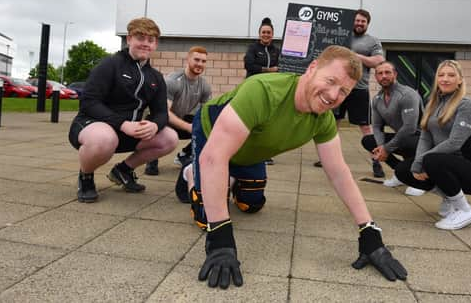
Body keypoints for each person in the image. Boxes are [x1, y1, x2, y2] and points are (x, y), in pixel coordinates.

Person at [175, 45, 407, 289]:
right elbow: (214, 156)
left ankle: (226, 178)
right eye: (330, 80)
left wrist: (369, 230)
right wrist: (220, 238)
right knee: (207, 217)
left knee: (251, 205)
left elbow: (339, 172)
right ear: (312, 68)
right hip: (213, 137)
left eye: (343, 91)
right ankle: (190, 171)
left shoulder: (324, 120)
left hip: (252, 149)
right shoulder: (263, 90)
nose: (332, 95)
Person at [69, 17, 178, 203]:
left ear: (155, 44)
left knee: (169, 138)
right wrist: (122, 124)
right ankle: (86, 176)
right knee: (104, 139)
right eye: (140, 38)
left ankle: (123, 170)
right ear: (129, 39)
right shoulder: (110, 64)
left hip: (128, 132)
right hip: (93, 127)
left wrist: (154, 125)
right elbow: (89, 102)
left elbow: (161, 113)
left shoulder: (156, 77)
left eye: (150, 40)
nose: (145, 44)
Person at [394, 60, 471, 230]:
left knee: (432, 160)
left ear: (460, 80)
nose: (445, 79)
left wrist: (423, 161)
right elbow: (425, 138)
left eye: (451, 75)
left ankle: (465, 210)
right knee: (403, 170)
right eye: (441, 75)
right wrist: (418, 163)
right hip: (445, 165)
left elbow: (455, 143)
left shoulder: (468, 105)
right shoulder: (432, 104)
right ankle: (450, 197)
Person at [314, 9, 384, 177]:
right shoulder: (340, 36)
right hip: (337, 88)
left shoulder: (372, 41)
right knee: (332, 123)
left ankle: (376, 161)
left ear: (367, 24)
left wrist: (355, 56)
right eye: (357, 20)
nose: (359, 23)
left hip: (358, 90)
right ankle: (327, 158)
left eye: (363, 21)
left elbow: (378, 61)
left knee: (365, 127)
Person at [144, 46, 212, 175]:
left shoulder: (204, 85)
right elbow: (164, 112)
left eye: (203, 61)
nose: (200, 64)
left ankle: (184, 154)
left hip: (179, 118)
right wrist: (188, 127)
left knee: (209, 126)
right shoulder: (173, 81)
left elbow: (206, 112)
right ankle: (151, 160)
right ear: (188, 59)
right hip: (158, 119)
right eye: (196, 60)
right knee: (157, 122)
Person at [361, 61, 424, 195]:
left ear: (395, 74)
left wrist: (386, 148)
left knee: (406, 140)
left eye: (387, 72)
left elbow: (409, 128)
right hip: (402, 138)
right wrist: (381, 147)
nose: (384, 76)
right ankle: (402, 174)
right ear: (376, 77)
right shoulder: (377, 99)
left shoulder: (407, 94)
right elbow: (377, 126)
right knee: (368, 140)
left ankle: (420, 179)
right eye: (380, 73)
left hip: (422, 139)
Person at [243, 17, 280, 165]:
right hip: (253, 88)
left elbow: (281, 67)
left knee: (267, 122)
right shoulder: (253, 48)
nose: (266, 34)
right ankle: (247, 149)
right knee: (252, 120)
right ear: (259, 34)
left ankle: (263, 153)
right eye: (263, 32)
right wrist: (269, 70)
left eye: (268, 32)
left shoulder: (277, 51)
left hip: (270, 91)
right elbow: (249, 65)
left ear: (272, 35)